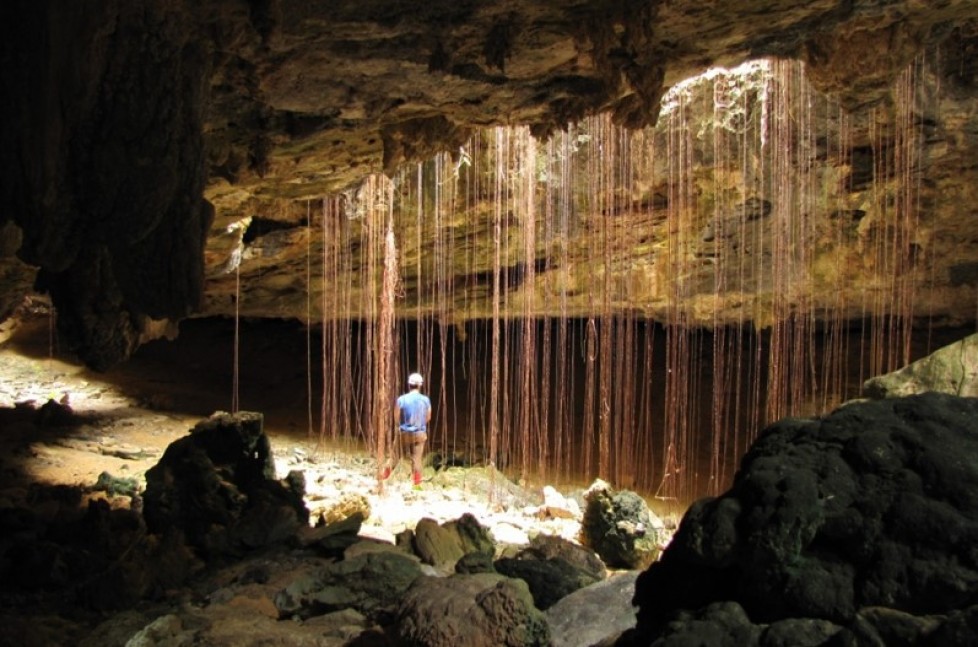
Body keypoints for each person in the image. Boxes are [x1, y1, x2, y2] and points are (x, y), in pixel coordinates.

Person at [387, 372, 431, 489]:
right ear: (420, 385)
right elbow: (428, 417)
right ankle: (416, 485)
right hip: (420, 434)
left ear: (409, 385)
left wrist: (399, 426)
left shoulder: (402, 399)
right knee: (417, 460)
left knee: (394, 457)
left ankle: (383, 478)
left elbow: (396, 415)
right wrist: (420, 426)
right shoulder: (425, 400)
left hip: (404, 433)